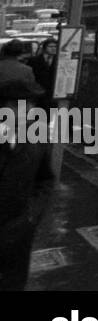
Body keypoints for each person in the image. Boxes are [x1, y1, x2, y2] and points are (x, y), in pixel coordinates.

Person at [0, 42, 55, 292]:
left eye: (30, 105)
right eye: (21, 105)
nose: (28, 111)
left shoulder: (36, 137)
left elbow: (45, 180)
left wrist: (31, 218)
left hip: (18, 238)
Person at [24, 39, 58, 109]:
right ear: (44, 48)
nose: (53, 48)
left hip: (53, 92)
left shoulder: (59, 60)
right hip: (38, 91)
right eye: (51, 46)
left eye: (55, 47)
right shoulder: (34, 60)